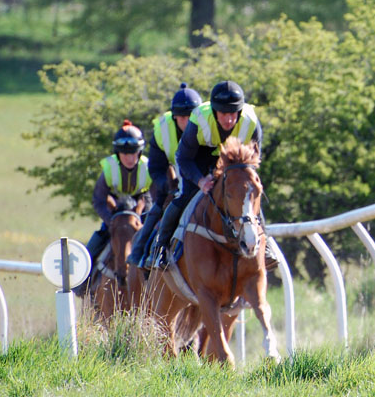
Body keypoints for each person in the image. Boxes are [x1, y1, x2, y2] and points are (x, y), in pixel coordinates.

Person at [148, 80, 277, 269]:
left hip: (232, 161)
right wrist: (200, 181)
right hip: (197, 158)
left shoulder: (250, 121)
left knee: (247, 196)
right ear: (215, 111)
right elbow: (183, 158)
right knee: (184, 196)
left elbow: (253, 161)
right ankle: (160, 248)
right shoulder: (199, 119)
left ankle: (266, 248)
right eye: (223, 113)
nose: (229, 119)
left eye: (233, 113)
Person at [128, 83, 202, 269]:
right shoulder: (162, 130)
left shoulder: (208, 125)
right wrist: (168, 186)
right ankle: (145, 252)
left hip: (204, 177)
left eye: (191, 117)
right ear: (175, 116)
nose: (187, 122)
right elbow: (156, 168)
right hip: (176, 183)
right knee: (158, 208)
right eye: (182, 117)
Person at [75, 120, 153, 296]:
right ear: (118, 153)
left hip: (139, 215)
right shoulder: (109, 169)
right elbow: (98, 200)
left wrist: (142, 217)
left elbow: (152, 197)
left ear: (139, 152)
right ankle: (83, 284)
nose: (129, 158)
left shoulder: (148, 168)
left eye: (133, 153)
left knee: (155, 243)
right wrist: (111, 221)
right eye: (125, 154)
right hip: (115, 215)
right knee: (95, 243)